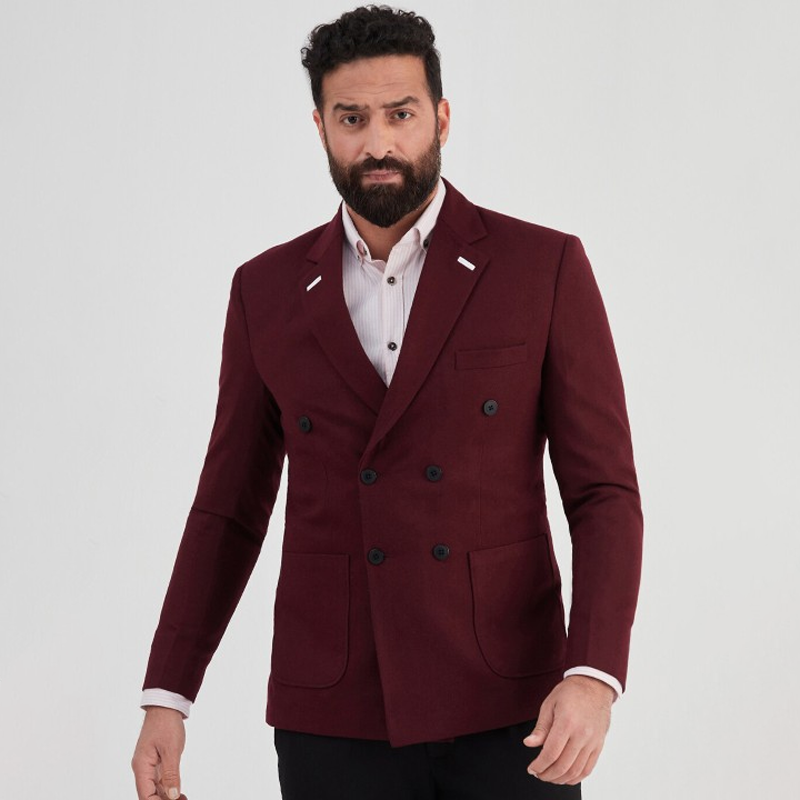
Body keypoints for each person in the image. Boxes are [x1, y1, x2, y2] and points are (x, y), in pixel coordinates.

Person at [131, 6, 643, 799]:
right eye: (352, 119)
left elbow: (603, 492)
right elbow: (229, 509)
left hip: (516, 705)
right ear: (320, 126)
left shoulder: (541, 268)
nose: (378, 143)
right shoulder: (265, 290)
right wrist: (168, 695)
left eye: (401, 114)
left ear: (441, 117)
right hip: (334, 713)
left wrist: (594, 673)